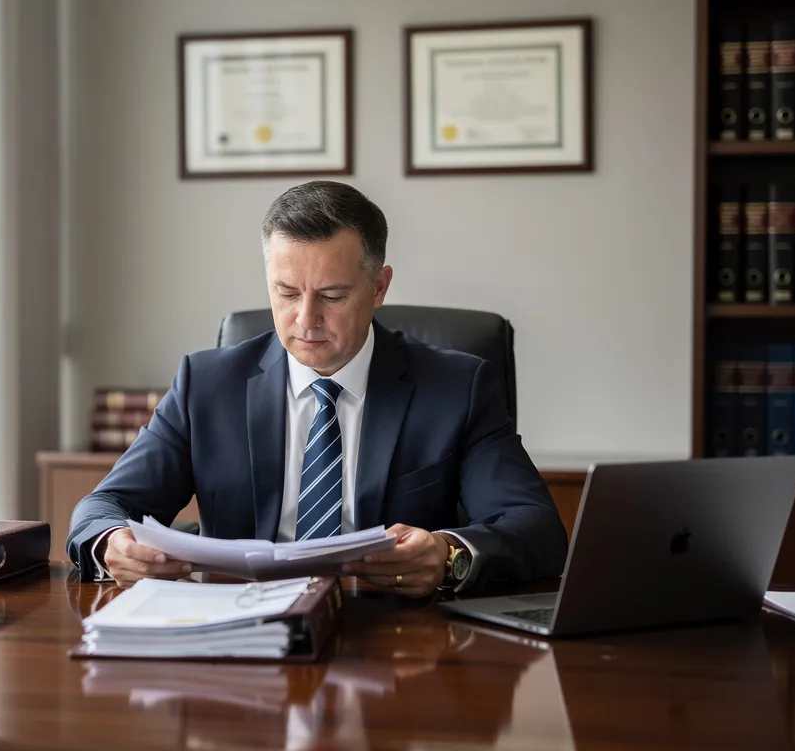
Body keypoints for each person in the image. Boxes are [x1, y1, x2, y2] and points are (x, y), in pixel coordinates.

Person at [67, 180, 568, 597]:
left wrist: (448, 553)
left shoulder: (456, 387)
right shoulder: (207, 385)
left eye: (332, 295)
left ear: (379, 287)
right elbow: (102, 507)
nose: (306, 320)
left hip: (398, 645)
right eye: (286, 293)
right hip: (240, 633)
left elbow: (537, 528)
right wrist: (113, 542)